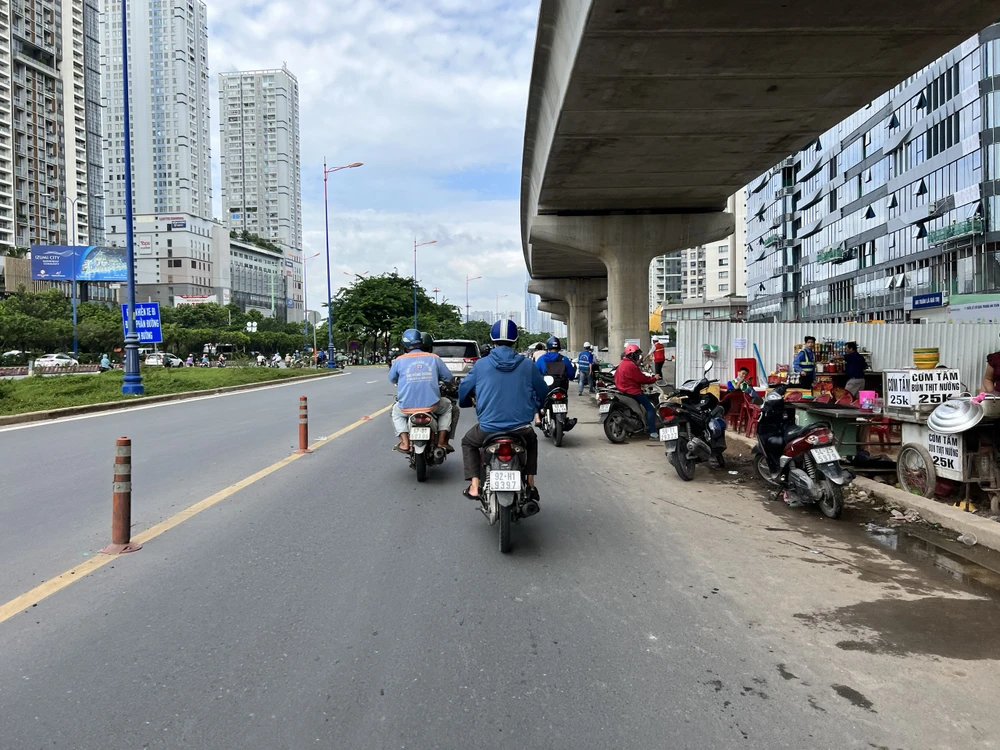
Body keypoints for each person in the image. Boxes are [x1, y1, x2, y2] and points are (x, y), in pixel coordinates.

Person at [458, 319, 548, 502]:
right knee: (531, 442)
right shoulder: (527, 365)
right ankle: (530, 484)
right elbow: (543, 391)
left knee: (468, 442)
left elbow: (463, 390)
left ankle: (475, 486)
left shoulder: (481, 365)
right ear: (515, 341)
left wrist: (466, 402)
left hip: (488, 429)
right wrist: (536, 405)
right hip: (521, 428)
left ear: (493, 340)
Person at [388, 329, 455, 453]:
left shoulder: (399, 360)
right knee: (448, 407)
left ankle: (404, 442)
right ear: (421, 342)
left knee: (395, 412)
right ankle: (441, 441)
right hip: (432, 406)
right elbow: (448, 377)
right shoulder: (434, 358)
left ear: (404, 344)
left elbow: (392, 379)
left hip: (406, 407)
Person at [614, 343, 660, 439]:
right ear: (632, 355)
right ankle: (653, 432)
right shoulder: (631, 365)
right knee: (650, 409)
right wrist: (654, 378)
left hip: (622, 390)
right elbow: (641, 379)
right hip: (633, 391)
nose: (638, 356)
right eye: (637, 355)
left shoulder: (622, 363)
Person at [534, 336, 578, 431]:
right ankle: (564, 416)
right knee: (564, 399)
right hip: (561, 388)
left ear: (548, 347)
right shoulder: (564, 359)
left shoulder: (541, 359)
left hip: (546, 390)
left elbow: (535, 373)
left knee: (536, 397)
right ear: (559, 347)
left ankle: (537, 417)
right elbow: (571, 375)